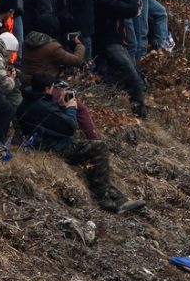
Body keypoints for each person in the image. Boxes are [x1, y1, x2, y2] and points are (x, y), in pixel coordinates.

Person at [17, 72, 145, 213]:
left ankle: (119, 198)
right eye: (53, 87)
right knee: (99, 147)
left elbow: (52, 121)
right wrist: (71, 108)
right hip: (53, 146)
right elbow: (70, 127)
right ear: (47, 88)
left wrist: (60, 107)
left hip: (45, 142)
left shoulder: (29, 100)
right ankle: (103, 198)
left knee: (93, 159)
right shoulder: (42, 106)